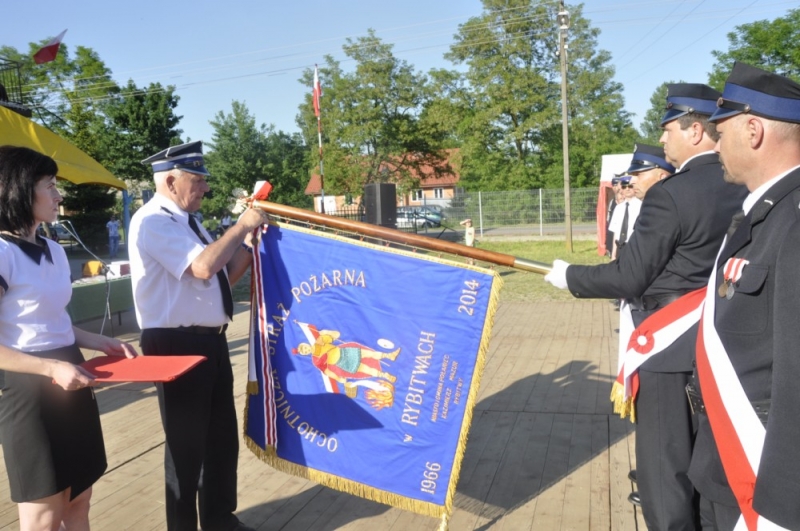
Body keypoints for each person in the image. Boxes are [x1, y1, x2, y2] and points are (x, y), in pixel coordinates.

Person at [544, 83, 747, 531]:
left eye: (667, 129)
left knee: (663, 469)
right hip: (725, 336)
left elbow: (628, 276)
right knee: (714, 467)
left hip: (669, 346)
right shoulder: (744, 183)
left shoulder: (672, 193)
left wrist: (570, 276)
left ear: (695, 131)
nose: (661, 138)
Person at [128, 140, 268, 531]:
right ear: (171, 181)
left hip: (209, 341)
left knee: (219, 441)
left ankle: (219, 520)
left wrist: (249, 245)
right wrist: (241, 226)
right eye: (198, 179)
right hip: (177, 345)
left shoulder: (188, 222)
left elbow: (220, 279)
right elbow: (204, 268)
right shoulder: (153, 221)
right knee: (186, 448)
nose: (206, 187)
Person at [0, 145, 137, 530]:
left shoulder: (55, 251)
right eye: (49, 186)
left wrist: (99, 341)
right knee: (43, 514)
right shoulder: (2, 252)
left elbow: (51, 321)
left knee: (79, 500)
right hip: (29, 390)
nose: (59, 196)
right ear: (19, 190)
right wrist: (50, 368)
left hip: (73, 376)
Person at [687, 63, 800, 530]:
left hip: (762, 476)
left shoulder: (793, 221)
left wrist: (784, 508)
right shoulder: (764, 213)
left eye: (722, 131)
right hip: (724, 462)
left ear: (753, 130)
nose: (715, 145)